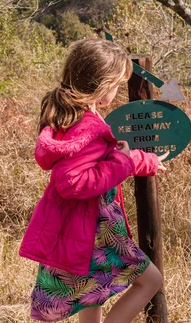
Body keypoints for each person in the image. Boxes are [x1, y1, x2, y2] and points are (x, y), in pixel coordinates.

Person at [19, 38, 168, 322]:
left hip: (85, 226)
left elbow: (105, 162)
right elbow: (72, 181)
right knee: (151, 280)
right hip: (94, 230)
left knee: (94, 290)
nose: (116, 92)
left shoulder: (77, 116)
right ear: (102, 86)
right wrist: (124, 160)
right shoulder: (87, 126)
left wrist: (140, 160)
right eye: (115, 85)